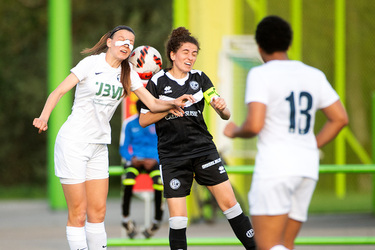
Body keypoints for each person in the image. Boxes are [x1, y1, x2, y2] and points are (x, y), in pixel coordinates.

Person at [32, 25, 194, 250]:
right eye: (122, 39)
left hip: (99, 146)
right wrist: (44, 116)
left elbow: (153, 103)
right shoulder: (91, 64)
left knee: (98, 213)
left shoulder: (128, 72)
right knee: (78, 214)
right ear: (109, 42)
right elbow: (58, 92)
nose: (127, 44)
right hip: (73, 143)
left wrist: (172, 103)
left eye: (131, 42)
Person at [223, 15, 349, 250]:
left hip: (276, 168)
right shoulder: (314, 75)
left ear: (259, 47)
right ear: (289, 44)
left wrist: (234, 131)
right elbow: (340, 118)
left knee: (266, 246)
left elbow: (254, 125)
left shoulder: (261, 74)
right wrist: (312, 145)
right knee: (284, 245)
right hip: (306, 168)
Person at [139, 27, 256, 250]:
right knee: (178, 219)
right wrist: (171, 105)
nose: (190, 57)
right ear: (172, 54)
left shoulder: (200, 78)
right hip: (172, 156)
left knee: (231, 205)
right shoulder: (158, 81)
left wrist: (222, 109)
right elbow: (144, 120)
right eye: (185, 52)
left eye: (194, 53)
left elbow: (225, 113)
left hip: (203, 150)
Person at [119, 99, 164, 239]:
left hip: (153, 161)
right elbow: (123, 147)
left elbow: (163, 144)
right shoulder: (129, 123)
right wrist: (132, 158)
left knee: (159, 183)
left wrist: (155, 159)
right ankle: (126, 219)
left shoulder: (157, 122)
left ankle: (156, 221)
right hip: (136, 161)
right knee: (128, 181)